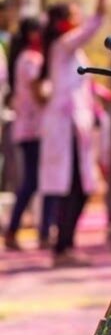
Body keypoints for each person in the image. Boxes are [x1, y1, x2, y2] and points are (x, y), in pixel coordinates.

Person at [38, 0, 107, 266]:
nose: (78, 19)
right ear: (61, 22)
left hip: (73, 129)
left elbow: (81, 82)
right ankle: (62, 248)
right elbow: (94, 25)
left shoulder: (66, 52)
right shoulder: (62, 46)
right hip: (65, 129)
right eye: (73, 15)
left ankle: (64, 245)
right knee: (72, 190)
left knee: (79, 189)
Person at [3, 16, 56, 249]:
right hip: (34, 130)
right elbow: (38, 93)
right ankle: (24, 230)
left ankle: (27, 230)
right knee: (35, 181)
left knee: (35, 181)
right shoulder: (31, 59)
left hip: (29, 129)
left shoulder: (24, 58)